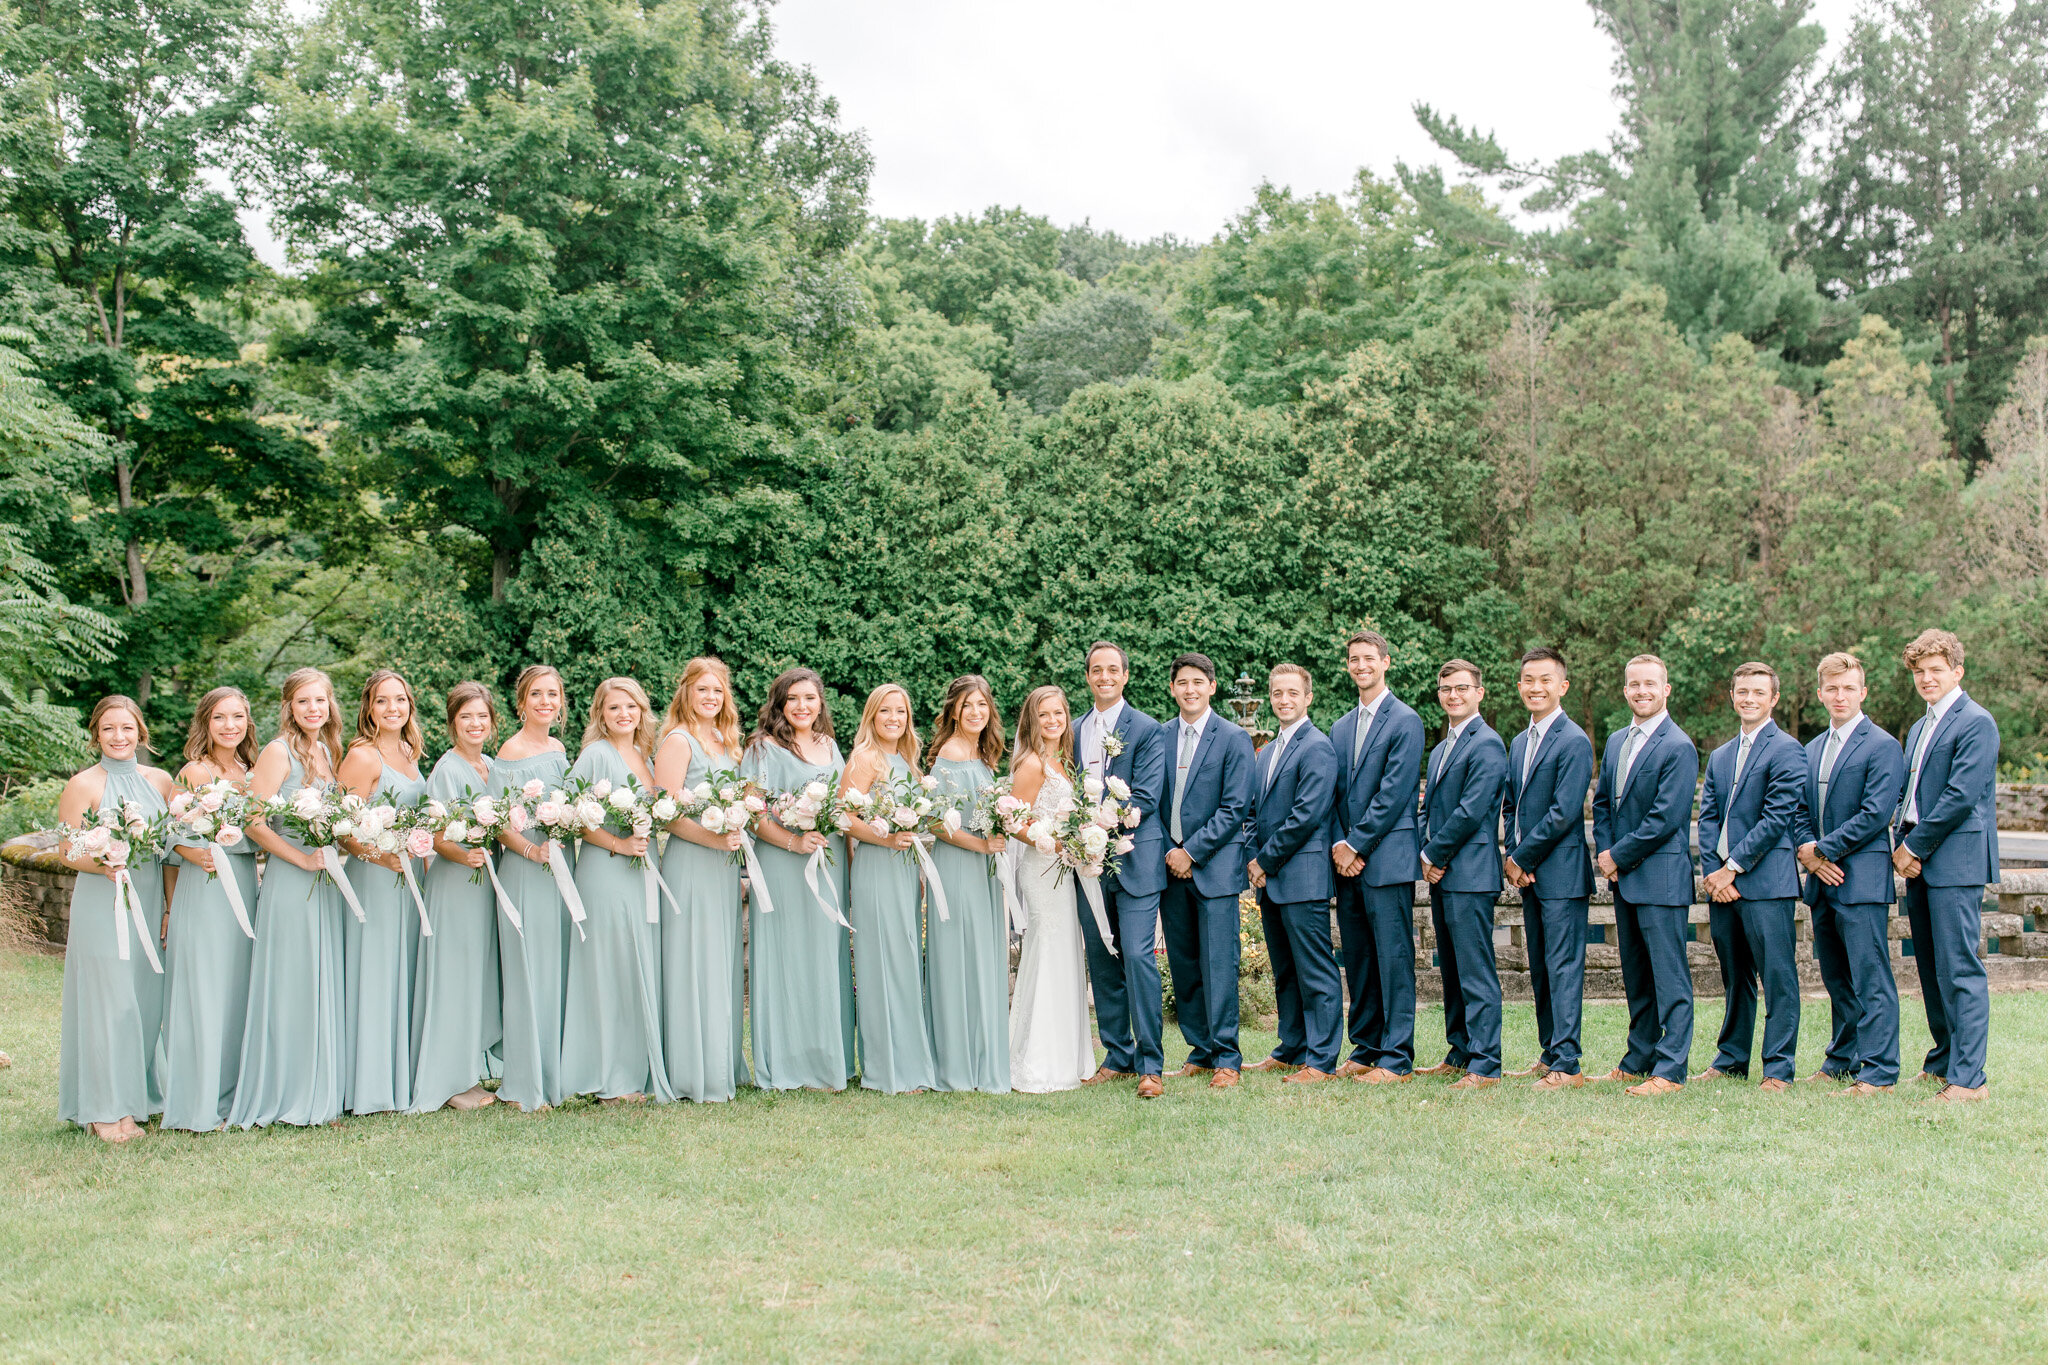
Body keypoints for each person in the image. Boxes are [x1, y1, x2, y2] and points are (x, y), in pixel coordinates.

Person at [230, 668, 349, 1129]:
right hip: (291, 879)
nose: (312, 709)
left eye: (319, 701)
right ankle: (286, 1095)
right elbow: (254, 823)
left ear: (329, 705)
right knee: (292, 984)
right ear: (289, 707)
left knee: (318, 980)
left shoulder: (325, 750)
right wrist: (301, 862)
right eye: (303, 702)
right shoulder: (278, 753)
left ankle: (317, 1093)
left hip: (323, 879)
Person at [56, 695, 175, 1142]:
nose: (119, 737)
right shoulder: (83, 784)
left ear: (141, 732)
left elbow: (169, 853)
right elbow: (68, 853)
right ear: (96, 735)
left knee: (144, 1004)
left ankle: (136, 1100)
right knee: (111, 1003)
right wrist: (105, 861)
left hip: (147, 900)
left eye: (127, 728)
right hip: (103, 904)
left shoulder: (161, 781)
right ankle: (104, 1109)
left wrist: (168, 907)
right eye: (109, 729)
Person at [1892, 629, 1999, 1104]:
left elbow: (1960, 795)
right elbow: (1911, 795)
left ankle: (1969, 1080)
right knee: (1932, 968)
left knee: (1960, 969)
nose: (1927, 679)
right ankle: (1942, 1064)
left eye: (1936, 670)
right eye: (1919, 672)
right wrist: (1900, 841)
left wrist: (1914, 847)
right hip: (1920, 860)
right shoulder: (1920, 726)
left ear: (1958, 671)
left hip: (1953, 860)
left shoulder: (1976, 722)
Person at [740, 668, 856, 1092]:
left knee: (826, 958)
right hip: (785, 864)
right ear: (779, 704)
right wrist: (793, 841)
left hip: (830, 864)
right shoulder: (761, 748)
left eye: (810, 698)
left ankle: (829, 1060)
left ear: (821, 703)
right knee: (789, 958)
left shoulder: (830, 745)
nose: (802, 706)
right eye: (793, 699)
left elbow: (843, 806)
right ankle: (788, 1064)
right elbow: (753, 813)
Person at [1590, 655, 1700, 1098]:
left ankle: (1671, 1069)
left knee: (1670, 978)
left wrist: (1617, 855)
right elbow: (1602, 804)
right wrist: (1603, 850)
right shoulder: (1617, 740)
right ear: (1625, 690)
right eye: (1634, 684)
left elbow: (1665, 819)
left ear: (1666, 689)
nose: (1641, 691)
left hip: (1661, 879)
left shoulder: (1678, 745)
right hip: (1624, 879)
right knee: (1637, 975)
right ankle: (1638, 1059)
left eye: (1650, 684)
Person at [561, 677, 676, 1103]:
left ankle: (637, 1069)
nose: (623, 714)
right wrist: (619, 843)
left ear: (643, 710)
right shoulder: (595, 754)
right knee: (610, 971)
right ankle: (610, 1079)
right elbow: (571, 814)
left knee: (636, 967)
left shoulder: (645, 757)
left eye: (631, 706)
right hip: (607, 870)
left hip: (642, 870)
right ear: (600, 715)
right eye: (613, 708)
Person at [1696, 662, 1809, 1092]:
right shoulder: (1721, 755)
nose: (1749, 699)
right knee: (1734, 975)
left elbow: (1776, 817)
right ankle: (1731, 1060)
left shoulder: (1787, 749)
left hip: (1765, 883)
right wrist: (1713, 871)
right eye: (1742, 691)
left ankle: (1778, 1068)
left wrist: (1732, 868)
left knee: (1778, 977)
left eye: (1758, 692)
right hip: (1722, 886)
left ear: (1773, 699)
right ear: (1732, 695)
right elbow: (1707, 818)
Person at [1797, 652, 1905, 1096]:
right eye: (1832, 688)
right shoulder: (1812, 749)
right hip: (1821, 881)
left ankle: (1879, 1071)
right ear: (1820, 693)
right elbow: (1798, 811)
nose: (1840, 696)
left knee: (1871, 978)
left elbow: (1876, 813)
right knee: (1837, 978)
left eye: (1849, 689)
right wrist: (1810, 855)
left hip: (1859, 880)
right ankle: (1843, 1058)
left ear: (1863, 693)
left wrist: (1822, 849)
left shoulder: (1882, 745)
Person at [1322, 629, 1424, 1085]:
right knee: (1359, 957)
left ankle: (1397, 1055)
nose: (1361, 666)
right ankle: (1365, 1048)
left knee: (1394, 958)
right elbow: (1333, 793)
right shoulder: (1340, 727)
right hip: (1348, 864)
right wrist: (1341, 847)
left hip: (1386, 859)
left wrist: (1355, 845)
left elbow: (1394, 792)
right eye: (1354, 659)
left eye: (1369, 658)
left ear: (1386, 662)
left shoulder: (1406, 720)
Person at [159, 686, 262, 1133]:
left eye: (237, 717)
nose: (229, 726)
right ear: (206, 722)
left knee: (237, 993)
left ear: (247, 722)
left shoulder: (254, 771)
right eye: (220, 718)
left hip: (245, 886)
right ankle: (197, 1105)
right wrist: (191, 853)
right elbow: (169, 840)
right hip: (204, 890)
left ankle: (233, 1098)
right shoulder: (194, 772)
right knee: (204, 993)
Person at [1071, 641, 1169, 1098]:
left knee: (1135, 955)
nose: (1104, 677)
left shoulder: (1148, 729)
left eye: (1113, 670)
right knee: (1102, 962)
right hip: (1086, 865)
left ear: (1125, 676)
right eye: (1096, 670)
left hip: (1135, 860)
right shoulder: (1072, 730)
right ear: (1088, 676)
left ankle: (1151, 1064)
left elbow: (1146, 797)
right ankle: (1118, 1055)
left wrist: (1094, 822)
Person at [651, 658, 750, 1103]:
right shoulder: (677, 740)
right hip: (692, 862)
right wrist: (713, 841)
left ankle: (719, 1063)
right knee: (693, 959)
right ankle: (692, 1071)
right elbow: (665, 814)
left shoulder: (726, 741)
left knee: (719, 961)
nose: (710, 698)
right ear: (686, 693)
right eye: (702, 690)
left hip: (723, 867)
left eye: (717, 691)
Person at [1158, 652, 1255, 1089]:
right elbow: (1151, 802)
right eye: (1183, 682)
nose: (1190, 689)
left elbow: (1235, 807)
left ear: (1212, 687)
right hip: (1168, 869)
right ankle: (1199, 1050)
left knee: (1219, 965)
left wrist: (1191, 852)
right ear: (1173, 688)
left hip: (1212, 870)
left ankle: (1227, 1059)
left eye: (1198, 682)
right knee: (1184, 965)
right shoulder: (1158, 737)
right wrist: (1168, 851)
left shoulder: (1233, 737)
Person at [1499, 648, 1595, 1089]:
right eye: (1527, 680)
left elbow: (1563, 812)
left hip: (1560, 874)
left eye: (1544, 680)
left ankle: (1568, 1064)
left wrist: (1522, 858)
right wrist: (1512, 852)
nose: (1535, 688)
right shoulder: (1519, 742)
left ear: (1562, 686)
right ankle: (1549, 1050)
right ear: (1519, 685)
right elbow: (1512, 806)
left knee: (1562, 966)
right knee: (1539, 965)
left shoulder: (1574, 740)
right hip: (1530, 874)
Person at [334, 669, 427, 1116]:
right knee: (376, 974)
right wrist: (379, 856)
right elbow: (341, 829)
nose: (394, 708)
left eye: (401, 700)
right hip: (375, 877)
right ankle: (370, 1088)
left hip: (411, 878)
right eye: (383, 701)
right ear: (368, 708)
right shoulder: (363, 756)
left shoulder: (410, 752)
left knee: (403, 971)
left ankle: (402, 1079)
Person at [409, 681, 504, 1113]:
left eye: (481, 716)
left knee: (476, 975)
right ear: (452, 724)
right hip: (457, 881)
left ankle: (471, 1066)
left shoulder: (491, 765)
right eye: (466, 717)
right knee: (454, 977)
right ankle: (450, 1082)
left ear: (492, 721)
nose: (475, 724)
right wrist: (463, 854)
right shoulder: (447, 769)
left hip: (486, 881)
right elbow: (431, 834)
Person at [842, 683, 940, 1094]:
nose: (894, 719)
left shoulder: (907, 760)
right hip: (876, 868)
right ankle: (886, 1070)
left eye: (900, 712)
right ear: (872, 716)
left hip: (903, 870)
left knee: (902, 962)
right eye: (885, 712)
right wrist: (884, 841)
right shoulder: (865, 760)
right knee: (881, 964)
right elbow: (845, 819)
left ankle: (911, 1063)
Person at [1415, 661, 1509, 1088]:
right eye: (1446, 689)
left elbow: (1472, 810)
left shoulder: (1487, 743)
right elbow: (1426, 809)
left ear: (1479, 693)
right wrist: (1424, 849)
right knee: (1450, 968)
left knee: (1475, 969)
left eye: (1462, 689)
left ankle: (1485, 1062)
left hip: (1469, 874)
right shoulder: (1440, 748)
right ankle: (1460, 1050)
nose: (1453, 696)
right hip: (1441, 872)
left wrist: (1434, 853)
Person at [1246, 664, 1340, 1084]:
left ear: (1308, 698)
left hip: (1302, 877)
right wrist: (1254, 857)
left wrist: (1263, 861)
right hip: (1271, 881)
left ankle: (1320, 1059)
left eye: (1292, 693)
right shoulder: (1267, 752)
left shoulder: (1316, 746)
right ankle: (1291, 1048)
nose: (1284, 700)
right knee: (1286, 970)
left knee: (1315, 971)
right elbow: (1254, 813)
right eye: (1277, 693)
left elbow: (1306, 816)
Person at [924, 675, 1012, 1094]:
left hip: (983, 868)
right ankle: (958, 1063)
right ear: (954, 711)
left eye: (982, 705)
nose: (976, 712)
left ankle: (982, 1056)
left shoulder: (982, 754)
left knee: (980, 957)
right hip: (960, 865)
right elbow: (936, 821)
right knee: (960, 957)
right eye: (967, 705)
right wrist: (981, 845)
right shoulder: (951, 754)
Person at [494, 664, 575, 1112]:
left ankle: (554, 1076)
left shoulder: (560, 748)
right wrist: (532, 852)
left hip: (561, 872)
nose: (546, 702)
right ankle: (524, 1085)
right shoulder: (511, 750)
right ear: (521, 701)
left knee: (555, 970)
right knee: (528, 973)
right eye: (537, 694)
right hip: (527, 870)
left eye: (553, 694)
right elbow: (500, 822)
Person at [1008, 685, 1096, 1093]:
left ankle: (1069, 1055)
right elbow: (1013, 821)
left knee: (1065, 954)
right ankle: (1039, 1061)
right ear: (1032, 719)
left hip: (1066, 869)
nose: (1052, 721)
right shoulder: (1031, 764)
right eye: (1044, 715)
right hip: (1042, 869)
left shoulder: (1065, 761)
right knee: (1046, 951)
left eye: (1058, 713)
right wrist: (1052, 841)